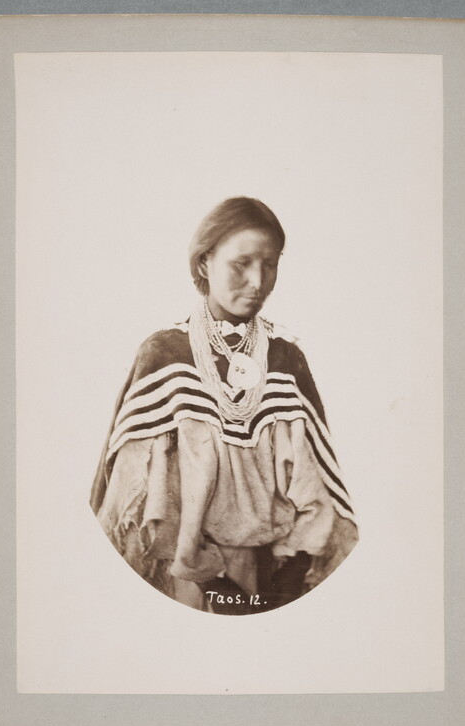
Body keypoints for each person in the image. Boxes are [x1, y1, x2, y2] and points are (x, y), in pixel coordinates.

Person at [90, 197, 358, 615]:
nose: (258, 281)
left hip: (274, 577)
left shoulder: (285, 358)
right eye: (241, 264)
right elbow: (135, 496)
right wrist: (208, 578)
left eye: (270, 264)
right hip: (179, 579)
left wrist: (285, 585)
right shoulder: (164, 354)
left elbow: (317, 487)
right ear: (204, 263)